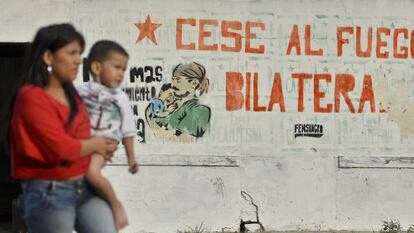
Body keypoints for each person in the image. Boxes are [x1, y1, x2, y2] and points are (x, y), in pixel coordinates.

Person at [7, 23, 119, 233]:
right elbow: (60, 148)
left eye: (80, 53)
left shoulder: (73, 96)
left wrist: (103, 145)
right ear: (48, 58)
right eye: (71, 53)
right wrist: (96, 143)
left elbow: (81, 138)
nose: (79, 60)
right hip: (48, 192)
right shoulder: (31, 97)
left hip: (82, 187)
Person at [77, 40, 138, 230]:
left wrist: (131, 157)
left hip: (105, 143)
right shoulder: (79, 91)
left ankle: (116, 206)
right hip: (83, 142)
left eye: (124, 69)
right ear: (96, 67)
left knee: (92, 173)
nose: (121, 74)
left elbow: (128, 130)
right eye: (117, 67)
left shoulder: (120, 97)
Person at [145, 62, 211, 142]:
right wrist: (161, 98)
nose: (173, 84)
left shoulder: (200, 109)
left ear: (193, 83)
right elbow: (151, 115)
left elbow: (183, 141)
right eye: (173, 79)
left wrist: (158, 130)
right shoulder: (174, 104)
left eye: (178, 80)